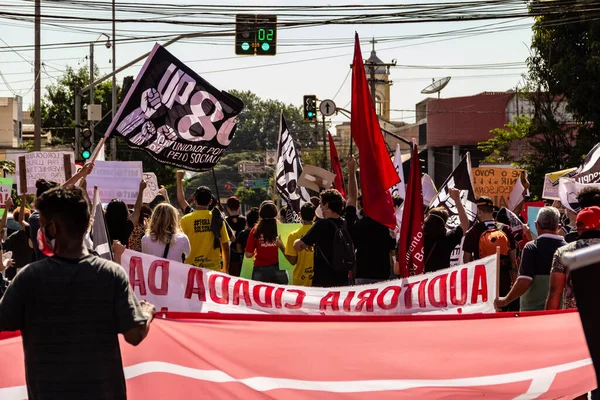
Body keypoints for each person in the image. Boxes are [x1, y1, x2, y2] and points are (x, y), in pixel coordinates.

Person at [0, 185, 155, 399]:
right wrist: (146, 312)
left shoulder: (29, 278)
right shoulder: (111, 275)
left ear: (52, 229)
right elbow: (134, 335)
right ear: (85, 225)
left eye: (41, 225)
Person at [494, 207, 566, 311]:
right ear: (558, 227)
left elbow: (524, 281)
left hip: (532, 313)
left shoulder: (531, 248)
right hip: (561, 314)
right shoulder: (567, 249)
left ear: (536, 225)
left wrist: (505, 300)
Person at [294, 187, 357, 287]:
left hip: (323, 282)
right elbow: (353, 198)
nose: (320, 207)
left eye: (321, 204)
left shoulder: (321, 225)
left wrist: (300, 241)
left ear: (326, 205)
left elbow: (298, 246)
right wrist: (351, 172)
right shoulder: (346, 222)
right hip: (344, 281)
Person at [463, 196, 518, 311]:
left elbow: (466, 262)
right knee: (504, 314)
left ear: (479, 211)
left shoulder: (473, 232)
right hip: (504, 280)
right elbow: (513, 263)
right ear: (493, 211)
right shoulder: (506, 230)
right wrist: (514, 284)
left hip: (483, 282)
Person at [348, 156, 396, 284]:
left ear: (361, 205)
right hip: (383, 276)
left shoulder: (356, 225)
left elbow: (351, 198)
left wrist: (351, 171)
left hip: (362, 274)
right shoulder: (385, 224)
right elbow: (393, 249)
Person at [547, 206, 600, 310]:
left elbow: (555, 292)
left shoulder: (563, 252)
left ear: (578, 228)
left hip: (573, 318)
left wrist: (548, 322)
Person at [180, 186, 230, 272]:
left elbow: (180, 246)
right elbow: (225, 246)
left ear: (194, 200)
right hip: (213, 269)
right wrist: (225, 268)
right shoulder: (217, 218)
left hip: (190, 269)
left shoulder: (185, 220)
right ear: (210, 202)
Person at [423, 188, 469, 273]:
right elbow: (465, 225)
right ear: (443, 224)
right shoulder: (447, 239)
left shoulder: (417, 239)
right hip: (441, 282)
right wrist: (457, 200)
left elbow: (397, 270)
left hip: (419, 283)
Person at [245, 201, 287, 284]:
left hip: (260, 270)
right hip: (279, 268)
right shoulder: (281, 229)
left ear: (260, 213)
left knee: (259, 296)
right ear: (275, 213)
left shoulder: (255, 230)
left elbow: (248, 254)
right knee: (280, 296)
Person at [1, 196, 34, 280]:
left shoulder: (14, 236)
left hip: (18, 270)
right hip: (32, 269)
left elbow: (3, 245)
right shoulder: (33, 234)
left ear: (16, 219)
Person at [284, 203, 316, 286]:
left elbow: (292, 261)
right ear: (315, 216)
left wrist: (281, 246)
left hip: (300, 279)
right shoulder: (321, 232)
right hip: (318, 279)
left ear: (299, 215)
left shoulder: (293, 235)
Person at [226, 196, 246, 277]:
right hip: (243, 256)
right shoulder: (245, 220)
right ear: (239, 207)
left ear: (228, 208)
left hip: (230, 256)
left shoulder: (225, 221)